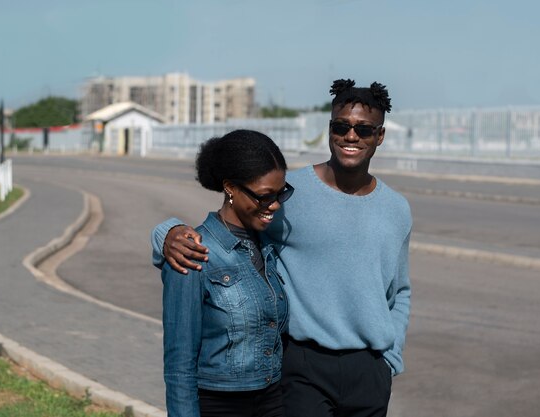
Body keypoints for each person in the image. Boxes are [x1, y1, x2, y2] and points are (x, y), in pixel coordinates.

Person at [153, 79, 412, 417]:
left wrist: (389, 361)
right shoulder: (291, 192)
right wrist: (166, 232)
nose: (351, 136)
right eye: (341, 126)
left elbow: (401, 289)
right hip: (302, 369)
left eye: (364, 129)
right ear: (329, 128)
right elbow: (227, 233)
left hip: (369, 372)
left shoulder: (397, 208)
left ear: (379, 135)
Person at [160, 129, 294, 417]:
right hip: (219, 406)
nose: (275, 206)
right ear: (230, 188)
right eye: (264, 197)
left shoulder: (270, 246)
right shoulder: (193, 252)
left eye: (281, 193)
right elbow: (179, 364)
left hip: (273, 400)